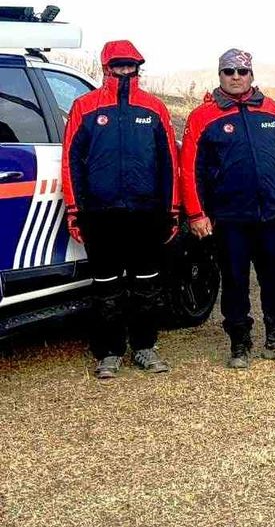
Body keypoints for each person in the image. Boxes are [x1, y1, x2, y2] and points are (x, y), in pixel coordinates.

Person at [180, 49, 275, 369]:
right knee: (235, 280)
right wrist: (196, 214)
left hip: (272, 215)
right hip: (229, 218)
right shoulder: (202, 117)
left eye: (242, 71)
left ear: (251, 75)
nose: (235, 77)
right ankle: (240, 342)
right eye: (229, 71)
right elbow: (190, 170)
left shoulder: (272, 110)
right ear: (220, 75)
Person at [61, 40, 179, 379]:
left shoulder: (154, 108)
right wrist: (74, 210)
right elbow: (71, 162)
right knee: (106, 287)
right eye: (119, 65)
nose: (125, 70)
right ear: (106, 67)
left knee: (147, 284)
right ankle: (109, 352)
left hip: (146, 213)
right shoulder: (85, 106)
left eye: (131, 64)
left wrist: (172, 210)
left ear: (138, 67)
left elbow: (169, 162)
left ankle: (145, 346)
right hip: (100, 213)